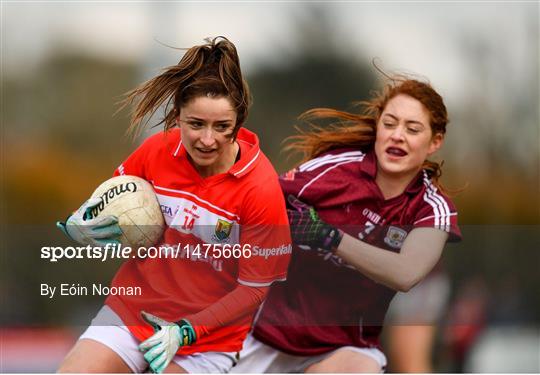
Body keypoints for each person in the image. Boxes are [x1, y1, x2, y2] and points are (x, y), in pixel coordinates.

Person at [56, 37, 291, 374]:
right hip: (130, 311)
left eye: (221, 127)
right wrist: (79, 222)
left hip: (205, 342)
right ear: (177, 116)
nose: (208, 140)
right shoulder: (156, 151)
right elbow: (111, 201)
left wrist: (186, 330)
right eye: (196, 124)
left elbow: (252, 292)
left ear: (238, 122)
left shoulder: (260, 189)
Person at [232, 77, 461, 373]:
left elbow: (405, 273)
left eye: (412, 129)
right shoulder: (336, 168)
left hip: (344, 350)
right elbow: (257, 203)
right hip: (264, 333)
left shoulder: (432, 209)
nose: (398, 135)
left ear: (435, 141)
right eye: (389, 124)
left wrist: (329, 237)